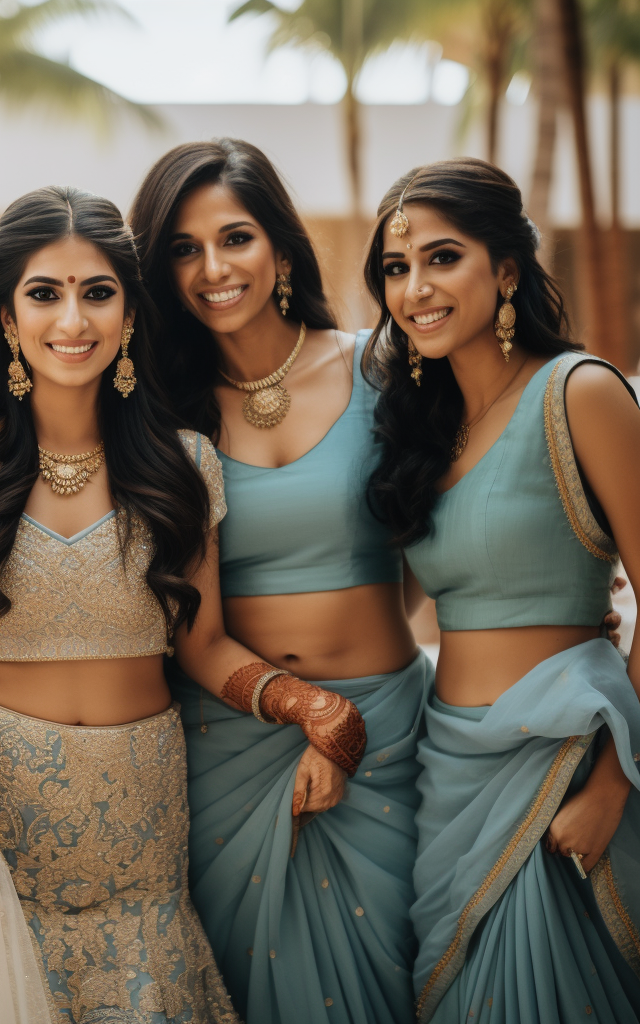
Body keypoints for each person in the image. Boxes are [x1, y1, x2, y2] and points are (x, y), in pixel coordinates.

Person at [0, 185, 367, 1024]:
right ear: (5, 316)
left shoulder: (184, 464)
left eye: (97, 292)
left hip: (143, 830)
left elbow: (204, 644)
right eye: (45, 293)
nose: (73, 320)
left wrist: (305, 704)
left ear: (131, 315)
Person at [127, 137, 435, 1024]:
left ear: (282, 247)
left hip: (385, 735)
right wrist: (306, 708)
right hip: (232, 745)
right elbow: (193, 631)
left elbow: (441, 534)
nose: (213, 268)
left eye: (236, 238)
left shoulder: (383, 365)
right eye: (183, 249)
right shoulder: (162, 412)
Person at [365, 157, 640, 1023]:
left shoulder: (580, 393)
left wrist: (610, 788)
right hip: (447, 772)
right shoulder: (422, 429)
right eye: (396, 270)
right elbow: (390, 608)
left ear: (507, 269)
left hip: (563, 766)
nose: (416, 289)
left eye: (443, 258)